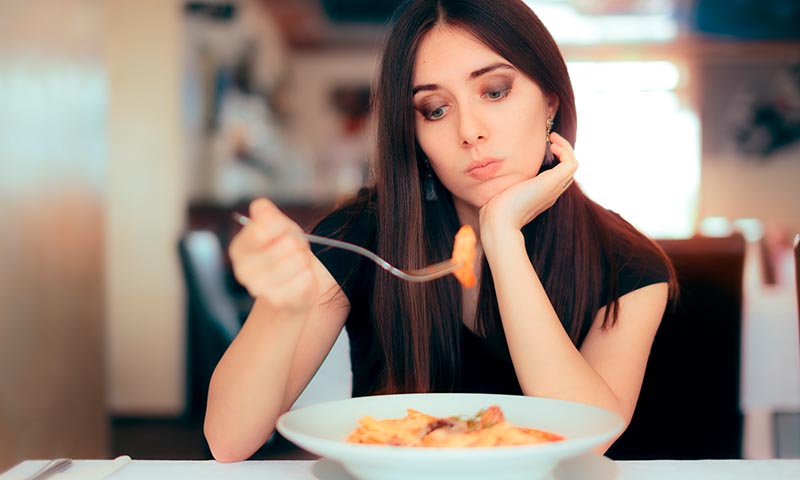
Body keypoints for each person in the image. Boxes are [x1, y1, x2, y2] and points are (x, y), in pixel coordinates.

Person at [204, 0, 677, 462]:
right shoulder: (362, 232)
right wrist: (282, 306)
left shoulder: (629, 263)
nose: (469, 131)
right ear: (415, 134)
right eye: (434, 109)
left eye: (494, 91)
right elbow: (229, 441)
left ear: (550, 101)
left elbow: (588, 436)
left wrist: (502, 235)